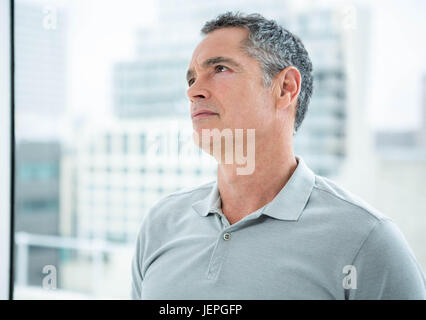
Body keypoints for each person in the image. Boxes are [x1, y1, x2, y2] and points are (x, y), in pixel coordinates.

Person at [131, 11, 426, 299]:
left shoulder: (367, 241)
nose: (193, 91)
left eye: (220, 68)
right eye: (191, 79)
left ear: (285, 88)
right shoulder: (161, 223)